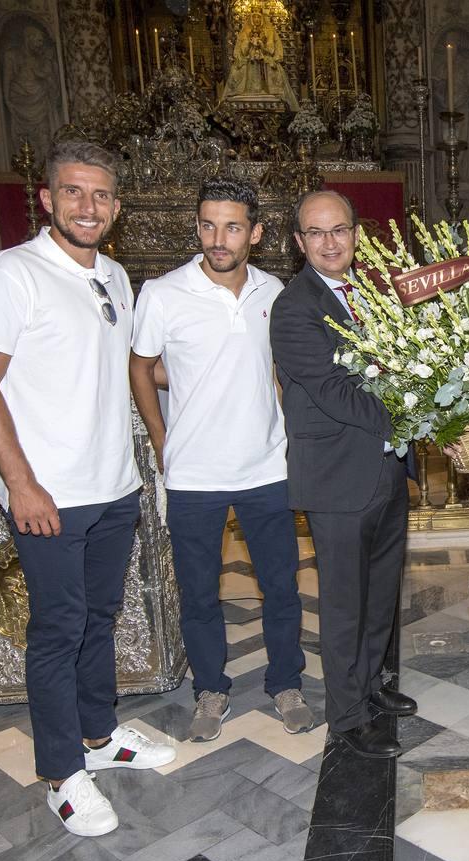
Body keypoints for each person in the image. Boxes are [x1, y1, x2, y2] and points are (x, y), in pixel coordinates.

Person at [0, 141, 175, 837]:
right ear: (47, 199)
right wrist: (20, 484)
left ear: (116, 206)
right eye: (75, 193)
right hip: (47, 494)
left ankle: (97, 734)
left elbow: (136, 369)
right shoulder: (11, 272)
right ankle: (60, 772)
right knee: (57, 628)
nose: (90, 206)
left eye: (103, 195)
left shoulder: (113, 274)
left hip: (112, 488)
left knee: (99, 618)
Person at [130, 176, 312, 743]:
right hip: (193, 475)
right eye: (208, 225)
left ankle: (286, 684)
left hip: (266, 467)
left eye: (232, 226)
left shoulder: (274, 290)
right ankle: (211, 689)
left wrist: (290, 436)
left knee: (282, 586)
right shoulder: (163, 293)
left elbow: (279, 372)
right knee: (200, 592)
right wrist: (161, 440)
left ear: (254, 233)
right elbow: (140, 368)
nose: (218, 237)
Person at [269, 190, 414, 759]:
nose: (330, 242)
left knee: (381, 592)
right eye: (316, 233)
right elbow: (330, 391)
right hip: (335, 474)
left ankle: (371, 685)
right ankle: (347, 717)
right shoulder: (294, 307)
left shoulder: (374, 293)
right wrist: (411, 415)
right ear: (300, 242)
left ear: (356, 233)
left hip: (384, 465)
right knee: (343, 602)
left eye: (339, 230)